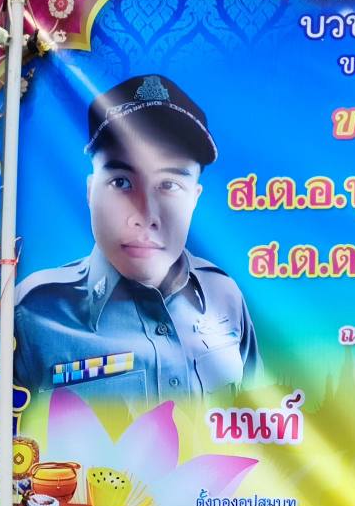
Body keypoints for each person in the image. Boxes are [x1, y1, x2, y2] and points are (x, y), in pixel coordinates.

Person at [15, 74, 260, 402]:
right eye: (121, 182)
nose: (145, 215)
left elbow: (256, 420)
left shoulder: (223, 295)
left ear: (195, 198)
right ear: (90, 191)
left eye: (170, 185)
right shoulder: (32, 314)